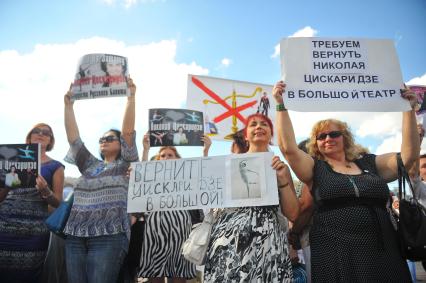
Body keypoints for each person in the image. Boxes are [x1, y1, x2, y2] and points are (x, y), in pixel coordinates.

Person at [273, 80, 419, 282]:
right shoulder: (315, 168)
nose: (327, 139)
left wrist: (408, 110)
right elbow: (288, 149)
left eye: (334, 134)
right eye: (321, 136)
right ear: (315, 143)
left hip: (384, 248)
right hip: (336, 253)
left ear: (345, 137)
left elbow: (408, 157)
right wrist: (281, 105)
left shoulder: (370, 162)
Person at [203, 113, 300, 282]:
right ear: (246, 135)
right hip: (229, 244)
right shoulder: (228, 165)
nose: (258, 127)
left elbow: (292, 214)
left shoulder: (280, 167)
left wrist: (283, 181)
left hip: (268, 244)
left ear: (271, 135)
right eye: (253, 124)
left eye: (264, 124)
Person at [63, 78, 138, 283]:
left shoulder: (127, 164)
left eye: (110, 138)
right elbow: (74, 140)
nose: (104, 140)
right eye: (101, 139)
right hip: (76, 235)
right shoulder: (89, 164)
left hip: (110, 235)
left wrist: (130, 98)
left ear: (121, 144)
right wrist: (68, 106)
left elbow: (128, 132)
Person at [138, 134, 211, 283]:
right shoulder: (152, 176)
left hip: (181, 226)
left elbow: (203, 174)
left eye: (170, 155)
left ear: (178, 159)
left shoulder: (186, 177)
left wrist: (205, 151)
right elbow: (141, 174)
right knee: (155, 271)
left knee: (179, 271)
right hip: (155, 227)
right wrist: (145, 150)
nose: (166, 158)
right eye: (162, 155)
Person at [0, 123, 65, 282]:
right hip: (5, 226)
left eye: (46, 133)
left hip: (34, 230)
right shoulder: (9, 160)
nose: (41, 134)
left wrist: (46, 191)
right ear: (29, 137)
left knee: (29, 275)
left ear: (50, 141)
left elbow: (58, 202)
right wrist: (8, 184)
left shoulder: (56, 167)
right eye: (36, 131)